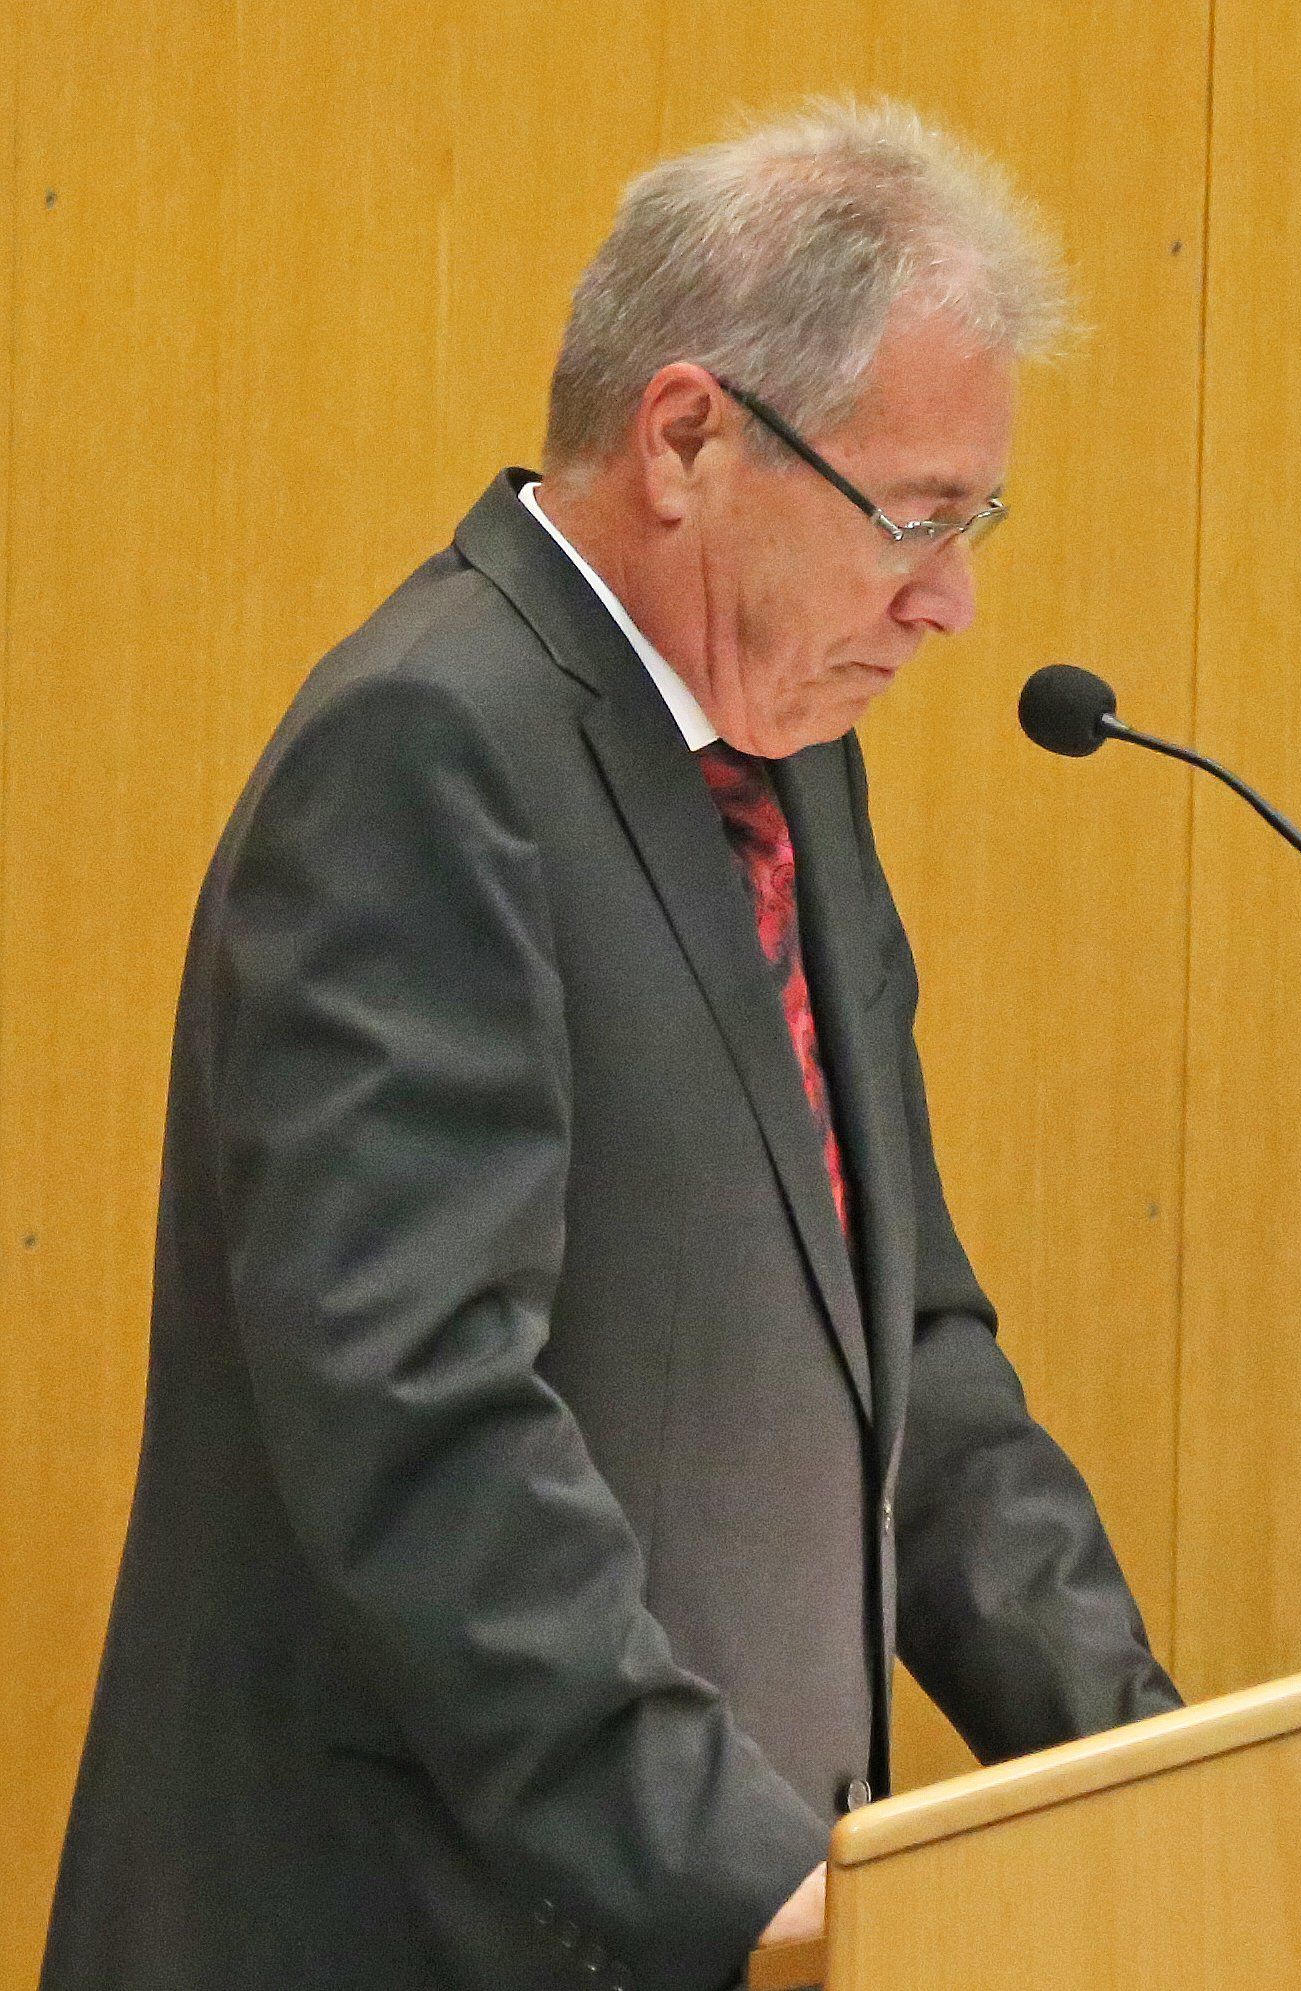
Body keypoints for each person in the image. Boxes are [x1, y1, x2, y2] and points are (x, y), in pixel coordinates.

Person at [41, 100, 1178, 1991]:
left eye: (974, 524)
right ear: (685, 439)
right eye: (915, 517)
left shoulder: (787, 762)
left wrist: (1151, 1781)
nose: (952, 601)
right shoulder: (427, 752)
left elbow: (907, 1346)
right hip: (420, 1931)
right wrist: (743, 1881)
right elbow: (422, 1421)